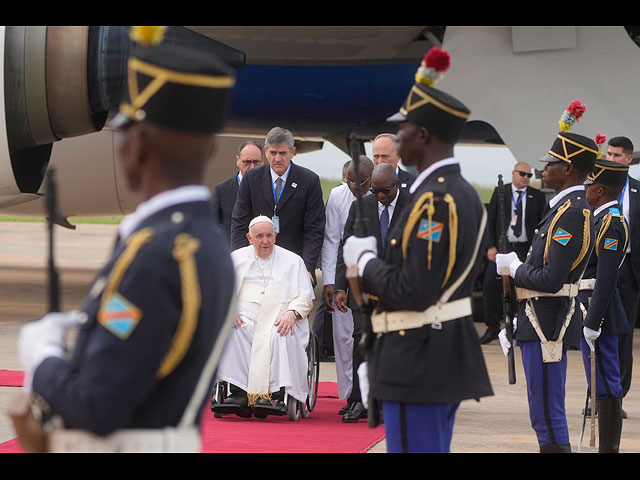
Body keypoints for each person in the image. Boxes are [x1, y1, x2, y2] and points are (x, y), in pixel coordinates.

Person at [15, 29, 237, 452]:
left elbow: (96, 406)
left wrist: (42, 357)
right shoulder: (204, 241)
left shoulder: (157, 255)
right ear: (208, 149)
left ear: (139, 145)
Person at [342, 47, 493, 452]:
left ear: (424, 136)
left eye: (404, 130)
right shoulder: (459, 193)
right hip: (434, 350)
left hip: (418, 354)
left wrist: (365, 261)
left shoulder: (434, 201)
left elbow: (415, 288)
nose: (397, 137)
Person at [496, 103, 597, 453]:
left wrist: (513, 267)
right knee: (542, 412)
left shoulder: (570, 213)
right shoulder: (563, 208)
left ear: (568, 169)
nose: (544, 168)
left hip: (546, 323)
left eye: (551, 163)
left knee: (547, 413)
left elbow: (552, 278)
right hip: (537, 319)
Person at [214, 216, 314, 418]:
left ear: (276, 235)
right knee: (234, 330)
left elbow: (306, 297)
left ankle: (275, 395)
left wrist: (292, 313)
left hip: (280, 317)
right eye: (259, 236)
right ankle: (238, 392)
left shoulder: (293, 261)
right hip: (245, 317)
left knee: (281, 334)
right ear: (249, 238)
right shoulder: (236, 258)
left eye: (269, 235)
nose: (265, 241)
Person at [335, 162, 409, 423]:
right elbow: (347, 246)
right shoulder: (361, 206)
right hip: (364, 289)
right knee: (362, 339)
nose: (380, 196)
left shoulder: (413, 205)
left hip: (399, 288)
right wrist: (342, 286)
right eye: (375, 191)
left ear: (397, 184)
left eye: (385, 191)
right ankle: (359, 400)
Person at [230, 127, 325, 287]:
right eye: (273, 153)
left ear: (292, 152)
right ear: (266, 152)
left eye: (283, 153)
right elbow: (239, 223)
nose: (277, 158)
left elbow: (314, 229)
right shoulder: (251, 179)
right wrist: (241, 263)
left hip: (294, 266)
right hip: (256, 265)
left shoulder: (309, 181)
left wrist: (308, 267)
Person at [580, 158, 630, 453]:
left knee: (608, 384)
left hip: (603, 315)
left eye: (588, 185)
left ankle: (608, 449)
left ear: (599, 190)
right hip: (593, 308)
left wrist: (593, 321)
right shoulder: (598, 218)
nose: (585, 189)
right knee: (599, 383)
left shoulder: (611, 223)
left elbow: (607, 276)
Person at [320, 156, 373, 408]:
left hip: (373, 275)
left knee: (366, 337)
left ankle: (367, 394)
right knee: (344, 338)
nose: (353, 186)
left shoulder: (379, 196)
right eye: (349, 181)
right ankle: (349, 394)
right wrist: (331, 281)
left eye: (358, 182)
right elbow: (331, 240)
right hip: (344, 275)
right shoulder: (338, 196)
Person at [479, 161, 547, 344]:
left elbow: (542, 225)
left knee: (521, 289)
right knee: (490, 287)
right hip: (503, 247)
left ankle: (517, 328)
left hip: (524, 248)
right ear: (513, 173)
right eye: (522, 174)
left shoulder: (537, 196)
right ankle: (493, 327)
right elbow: (490, 220)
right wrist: (490, 246)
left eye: (529, 176)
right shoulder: (501, 192)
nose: (525, 178)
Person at [606, 136, 640, 413]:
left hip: (628, 269)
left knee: (623, 334)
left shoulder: (639, 192)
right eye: (609, 154)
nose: (612, 159)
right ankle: (596, 395)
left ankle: (616, 397)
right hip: (599, 267)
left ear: (629, 159)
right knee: (594, 330)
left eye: (617, 155)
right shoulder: (595, 188)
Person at [211, 140, 264, 244]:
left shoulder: (271, 187)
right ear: (238, 160)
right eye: (247, 162)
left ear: (262, 161)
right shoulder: (222, 190)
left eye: (256, 162)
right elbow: (213, 225)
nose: (252, 167)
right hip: (232, 252)